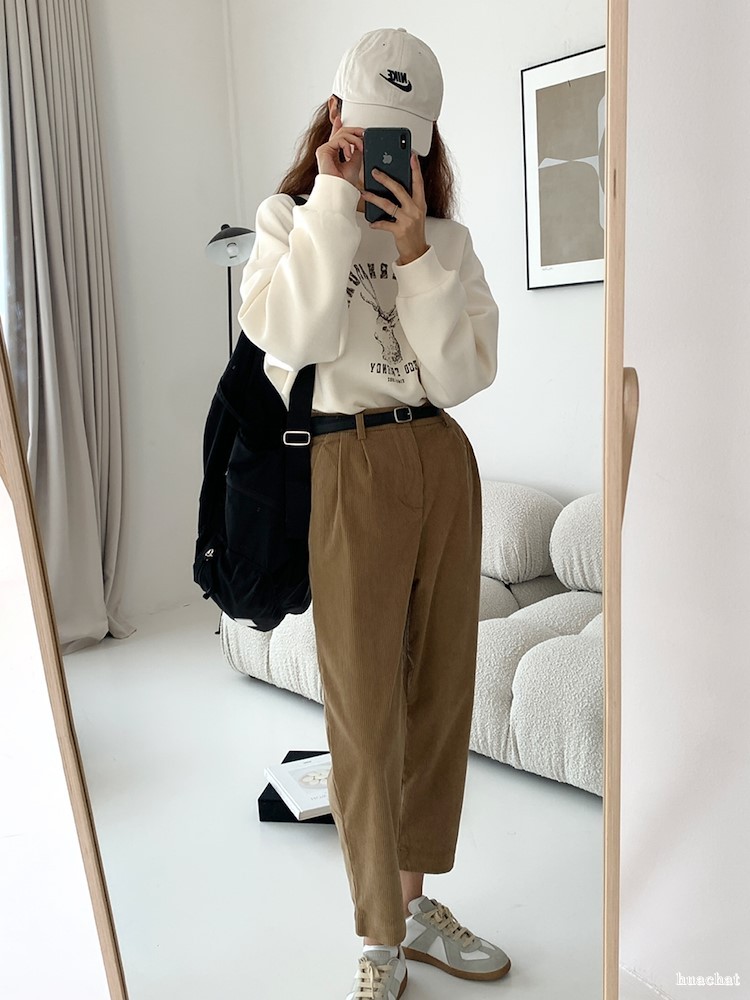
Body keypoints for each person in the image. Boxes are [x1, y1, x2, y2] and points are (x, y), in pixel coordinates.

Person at [238, 26, 511, 1000]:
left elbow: (462, 376)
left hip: (441, 458)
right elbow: (294, 338)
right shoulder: (287, 222)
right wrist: (330, 204)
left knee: (440, 698)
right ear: (335, 118)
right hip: (345, 463)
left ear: (426, 145)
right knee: (362, 712)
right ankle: (379, 937)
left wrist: (415, 251)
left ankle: (415, 904)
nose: (385, 154)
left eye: (405, 141)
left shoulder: (448, 244)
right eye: (367, 131)